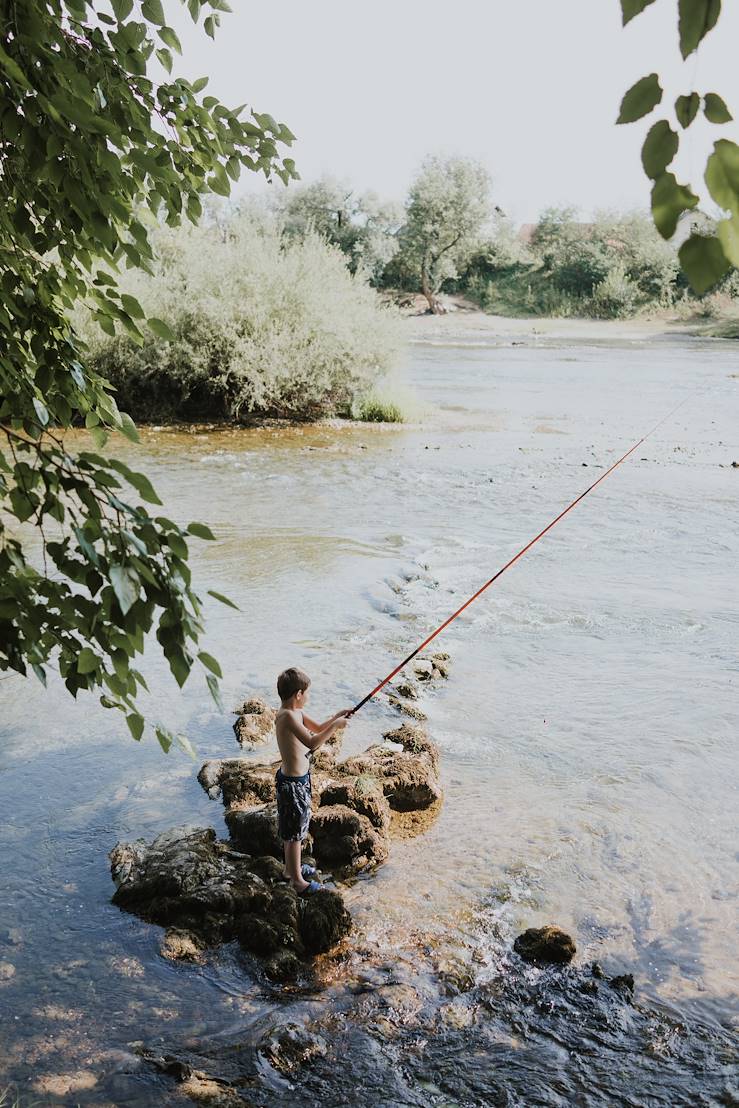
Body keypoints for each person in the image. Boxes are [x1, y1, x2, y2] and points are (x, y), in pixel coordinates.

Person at [275, 667, 350, 895]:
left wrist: (336, 717)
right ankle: (296, 881)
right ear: (298, 694)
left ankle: (291, 869)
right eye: (307, 693)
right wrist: (335, 727)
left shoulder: (295, 712)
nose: (309, 697)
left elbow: (317, 728)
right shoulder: (287, 716)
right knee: (294, 832)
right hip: (292, 783)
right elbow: (312, 742)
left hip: (300, 779)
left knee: (296, 827)